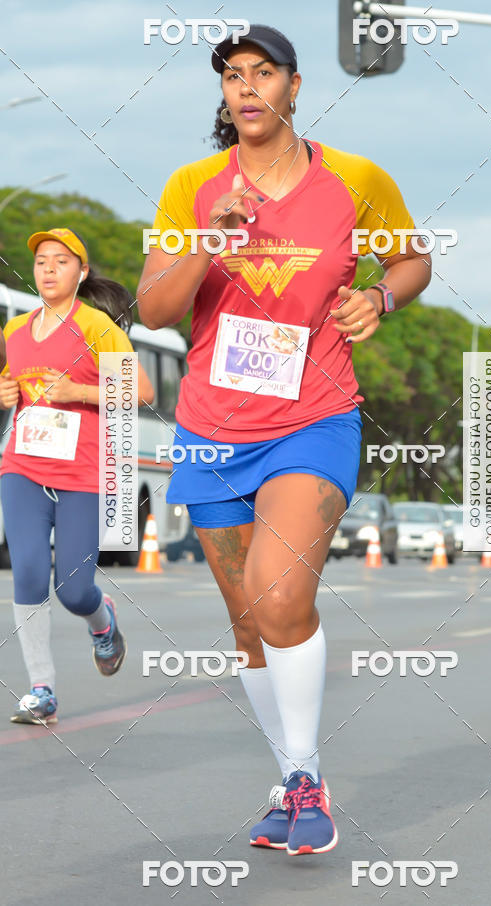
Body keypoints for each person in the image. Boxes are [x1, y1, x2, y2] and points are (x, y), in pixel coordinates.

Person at [137, 24, 431, 855]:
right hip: (211, 428)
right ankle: (297, 778)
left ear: (294, 87)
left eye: (263, 72)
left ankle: (301, 782)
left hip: (314, 416)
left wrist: (382, 298)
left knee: (278, 598)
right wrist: (207, 241)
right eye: (232, 75)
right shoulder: (192, 186)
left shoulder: (356, 180)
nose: (247, 87)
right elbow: (154, 309)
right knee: (246, 624)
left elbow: (412, 260)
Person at [0, 227, 154, 724]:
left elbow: (141, 390)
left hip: (83, 473)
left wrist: (78, 393)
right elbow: (8, 384)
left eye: (61, 261)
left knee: (72, 590)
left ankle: (102, 621)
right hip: (22, 467)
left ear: (81, 272)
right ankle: (41, 689)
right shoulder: (14, 330)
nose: (48, 269)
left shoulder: (96, 326)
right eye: (41, 261)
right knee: (26, 572)